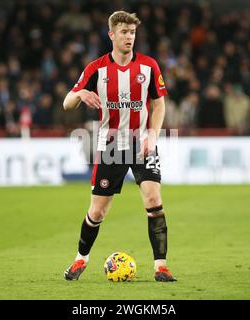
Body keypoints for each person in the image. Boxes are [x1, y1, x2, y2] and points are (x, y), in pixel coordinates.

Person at [62, 11, 176, 282]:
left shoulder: (148, 66)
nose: (129, 37)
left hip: (142, 145)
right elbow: (67, 103)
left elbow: (159, 103)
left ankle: (161, 266)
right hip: (111, 145)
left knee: (153, 200)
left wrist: (153, 135)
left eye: (133, 33)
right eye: (124, 32)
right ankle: (80, 260)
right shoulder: (96, 69)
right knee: (98, 211)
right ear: (112, 35)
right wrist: (80, 93)